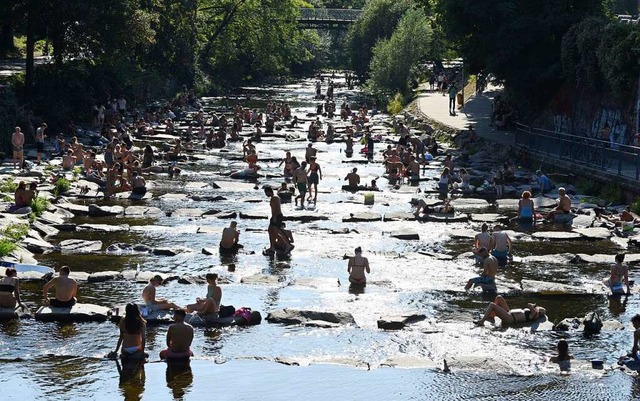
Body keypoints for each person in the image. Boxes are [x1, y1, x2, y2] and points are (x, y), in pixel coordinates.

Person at [474, 296, 546, 326]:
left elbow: (529, 305)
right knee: (499, 297)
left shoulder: (535, 314)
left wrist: (533, 305)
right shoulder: (534, 313)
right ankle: (491, 316)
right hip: (509, 313)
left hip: (510, 318)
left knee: (492, 305)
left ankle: (482, 321)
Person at [264, 186, 293, 254]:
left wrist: (274, 217)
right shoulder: (275, 197)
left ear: (269, 191)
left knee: (275, 232)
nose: (266, 194)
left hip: (276, 216)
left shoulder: (274, 198)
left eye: (266, 193)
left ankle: (287, 245)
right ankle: (272, 247)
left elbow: (276, 208)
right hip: (277, 216)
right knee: (270, 231)